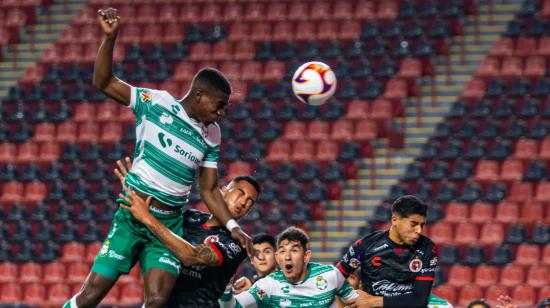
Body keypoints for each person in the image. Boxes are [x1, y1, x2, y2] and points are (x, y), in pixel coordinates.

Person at [65, 8, 252, 308]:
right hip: (130, 215)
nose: (221, 113)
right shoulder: (156, 104)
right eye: (219, 106)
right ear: (199, 95)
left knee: (157, 301)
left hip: (168, 224)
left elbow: (209, 190)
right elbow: (104, 82)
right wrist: (110, 38)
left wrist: (234, 227)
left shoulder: (212, 134)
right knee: (91, 296)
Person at [117, 157, 260, 307]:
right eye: (240, 193)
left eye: (250, 201)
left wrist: (147, 218)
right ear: (223, 191)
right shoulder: (190, 216)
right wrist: (136, 191)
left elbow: (192, 257)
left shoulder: (239, 243)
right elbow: (155, 227)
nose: (243, 202)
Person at [218, 226, 361, 307]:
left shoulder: (330, 276)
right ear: (277, 258)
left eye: (294, 250)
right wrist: (226, 288)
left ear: (306, 256)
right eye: (282, 251)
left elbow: (359, 303)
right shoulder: (267, 286)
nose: (287, 256)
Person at [337, 195, 437, 308]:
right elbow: (336, 278)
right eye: (413, 224)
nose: (418, 230)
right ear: (395, 220)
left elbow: (419, 300)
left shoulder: (427, 248)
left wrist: (372, 301)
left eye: (422, 225)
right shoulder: (366, 245)